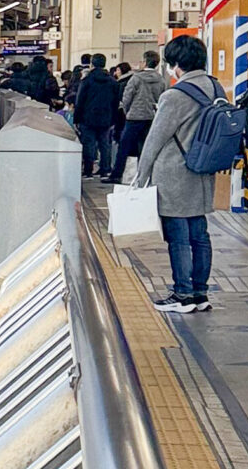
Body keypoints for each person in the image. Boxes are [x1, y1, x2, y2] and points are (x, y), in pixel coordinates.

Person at [134, 35, 226, 314]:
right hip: (203, 172)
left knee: (178, 237)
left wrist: (140, 177)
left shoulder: (174, 95)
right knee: (199, 234)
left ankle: (182, 295)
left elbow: (155, 139)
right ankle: (200, 293)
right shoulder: (215, 87)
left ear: (175, 64)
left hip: (174, 175)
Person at [115, 51, 164, 177]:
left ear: (145, 62)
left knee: (124, 146)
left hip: (134, 116)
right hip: (151, 116)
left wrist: (127, 111)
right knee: (145, 147)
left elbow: (127, 97)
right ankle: (144, 175)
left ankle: (117, 174)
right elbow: (161, 98)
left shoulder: (136, 78)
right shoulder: (160, 79)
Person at [72, 51, 120, 180]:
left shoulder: (86, 81)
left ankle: (88, 171)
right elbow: (116, 102)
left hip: (87, 118)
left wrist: (76, 119)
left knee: (89, 144)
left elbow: (79, 101)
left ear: (92, 64)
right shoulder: (112, 81)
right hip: (106, 117)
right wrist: (113, 118)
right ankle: (105, 170)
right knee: (105, 144)